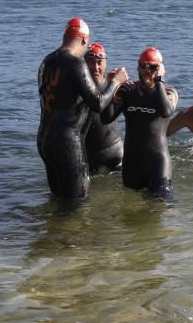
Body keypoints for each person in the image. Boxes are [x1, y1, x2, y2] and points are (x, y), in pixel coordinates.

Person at [37, 17, 125, 202]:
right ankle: (73, 231)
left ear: (65, 36)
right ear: (84, 40)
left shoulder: (47, 61)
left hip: (45, 140)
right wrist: (116, 82)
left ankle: (52, 231)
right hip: (67, 143)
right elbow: (99, 103)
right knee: (77, 203)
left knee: (57, 198)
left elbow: (63, 97)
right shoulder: (75, 63)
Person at [101, 46, 178, 200]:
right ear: (137, 67)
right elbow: (106, 118)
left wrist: (159, 81)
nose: (147, 70)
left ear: (160, 69)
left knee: (159, 208)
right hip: (131, 163)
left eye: (152, 67)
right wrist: (112, 85)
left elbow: (166, 111)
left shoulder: (168, 91)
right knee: (130, 215)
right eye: (143, 65)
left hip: (157, 163)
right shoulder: (127, 91)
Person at [83, 42, 126, 173]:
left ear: (105, 63)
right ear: (83, 64)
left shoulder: (115, 87)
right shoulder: (78, 90)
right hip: (88, 157)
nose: (95, 67)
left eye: (99, 62)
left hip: (115, 153)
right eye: (90, 62)